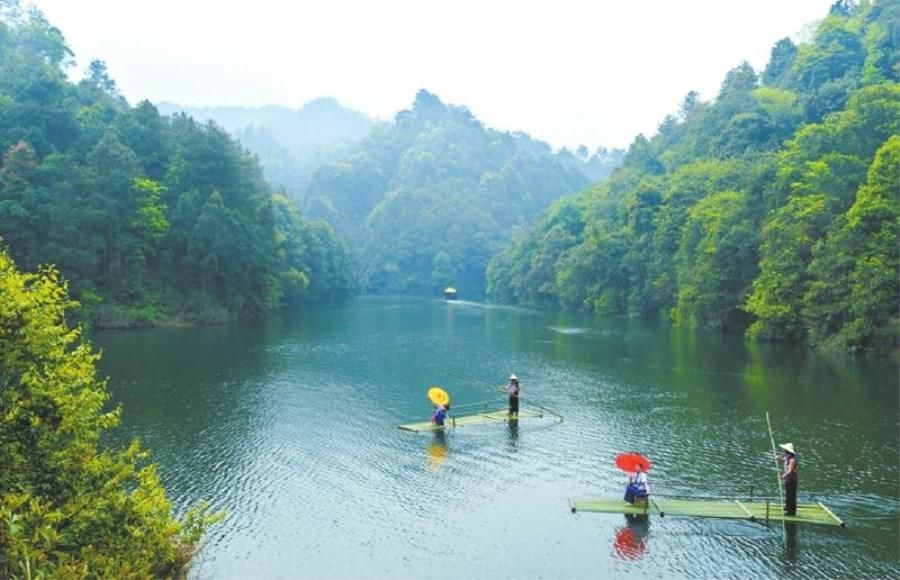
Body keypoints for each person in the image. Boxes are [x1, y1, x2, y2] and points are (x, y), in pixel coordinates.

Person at [779, 442, 798, 516]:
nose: (783, 451)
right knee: (787, 493)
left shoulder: (792, 460)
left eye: (784, 450)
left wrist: (783, 476)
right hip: (788, 479)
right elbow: (780, 459)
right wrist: (778, 458)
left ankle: (791, 511)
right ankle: (787, 507)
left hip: (791, 479)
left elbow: (790, 470)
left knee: (791, 495)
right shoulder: (787, 457)